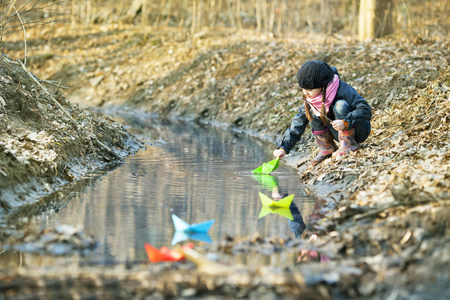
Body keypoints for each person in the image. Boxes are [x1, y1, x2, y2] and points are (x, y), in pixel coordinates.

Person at [273, 60, 372, 166]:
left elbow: (365, 109)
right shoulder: (311, 99)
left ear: (323, 86)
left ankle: (348, 145)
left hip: (358, 129)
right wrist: (283, 148)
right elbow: (298, 122)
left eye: (310, 90)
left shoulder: (342, 89)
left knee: (341, 105)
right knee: (311, 112)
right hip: (337, 132)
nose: (306, 93)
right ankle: (327, 147)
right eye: (303, 89)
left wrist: (345, 122)